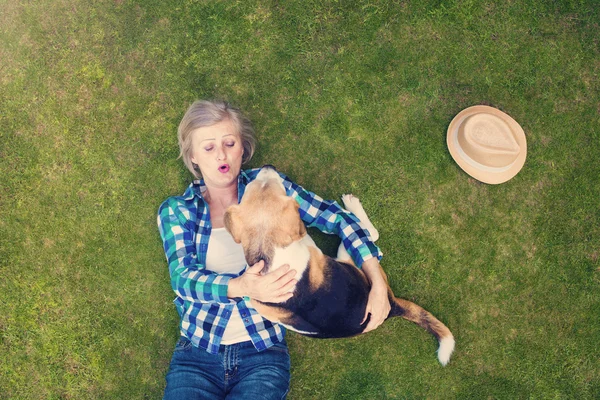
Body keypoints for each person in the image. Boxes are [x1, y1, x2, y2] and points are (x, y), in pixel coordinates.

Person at [157, 100, 390, 399]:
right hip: (197, 354)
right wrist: (242, 285)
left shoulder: (269, 187)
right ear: (193, 157)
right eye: (209, 147)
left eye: (229, 143)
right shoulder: (178, 210)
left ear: (243, 148)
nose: (222, 155)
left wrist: (377, 282)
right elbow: (183, 279)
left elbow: (338, 219)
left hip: (262, 355)